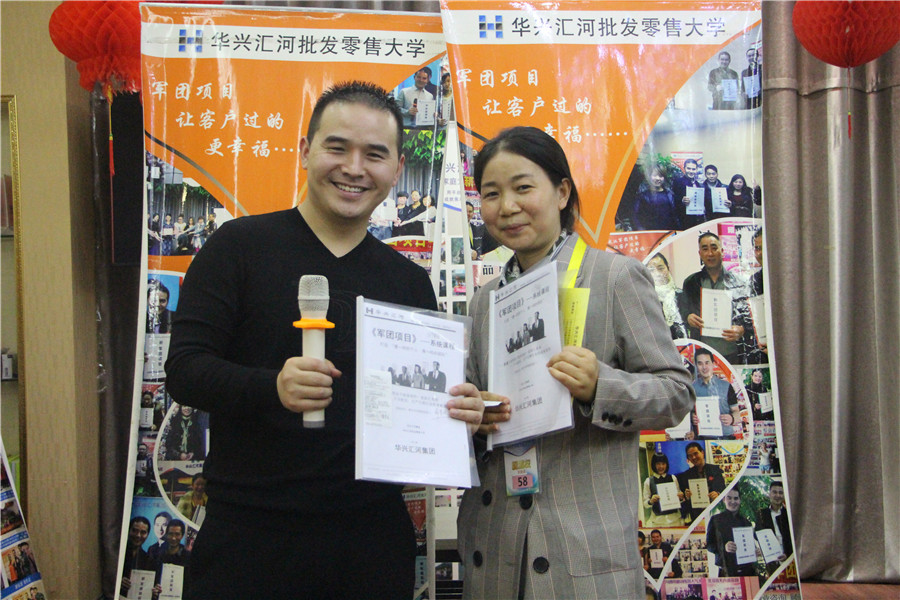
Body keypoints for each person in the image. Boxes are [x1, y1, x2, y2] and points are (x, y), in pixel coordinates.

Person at [164, 81, 483, 599]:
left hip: (371, 542)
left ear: (397, 169)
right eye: (337, 148)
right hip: (251, 537)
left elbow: (416, 404)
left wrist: (454, 410)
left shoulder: (407, 281)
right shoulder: (237, 247)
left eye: (374, 154)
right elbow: (184, 370)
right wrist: (272, 387)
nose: (354, 168)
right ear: (305, 151)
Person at [457, 126, 694, 599]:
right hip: (495, 544)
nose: (507, 206)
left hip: (582, 549)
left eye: (523, 187)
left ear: (562, 192)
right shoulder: (484, 301)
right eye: (492, 193)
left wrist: (600, 386)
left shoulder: (614, 277)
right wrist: (476, 417)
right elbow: (474, 408)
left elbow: (676, 393)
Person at [679, 232, 752, 363]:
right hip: (702, 354)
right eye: (705, 249)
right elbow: (682, 311)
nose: (710, 253)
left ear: (722, 251)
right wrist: (688, 317)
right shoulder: (691, 282)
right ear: (700, 253)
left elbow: (750, 318)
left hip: (732, 354)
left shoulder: (739, 282)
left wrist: (742, 329)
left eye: (714, 248)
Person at [689, 347, 740, 439]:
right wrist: (692, 417)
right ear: (696, 365)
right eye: (700, 363)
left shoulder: (726, 386)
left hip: (726, 438)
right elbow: (689, 411)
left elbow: (736, 411)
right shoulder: (692, 388)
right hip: (703, 439)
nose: (704, 367)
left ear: (713, 364)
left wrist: (732, 418)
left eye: (707, 363)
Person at [706, 488, 756, 576]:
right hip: (725, 571)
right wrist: (724, 547)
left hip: (746, 571)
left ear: (740, 500)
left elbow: (750, 545)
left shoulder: (746, 522)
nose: (733, 501)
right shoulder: (715, 520)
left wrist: (754, 551)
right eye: (729, 498)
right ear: (724, 499)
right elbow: (709, 545)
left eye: (736, 498)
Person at [676, 442, 726, 522]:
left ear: (702, 452)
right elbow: (684, 498)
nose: (694, 457)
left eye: (695, 453)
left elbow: (723, 489)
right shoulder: (686, 475)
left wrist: (718, 494)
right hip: (696, 517)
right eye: (690, 456)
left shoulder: (715, 470)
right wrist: (686, 496)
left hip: (715, 512)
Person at [755, 480, 792, 574]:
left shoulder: (789, 514)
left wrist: (788, 554)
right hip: (770, 560)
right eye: (774, 492)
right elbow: (757, 534)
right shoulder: (762, 514)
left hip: (788, 559)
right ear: (769, 494)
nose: (778, 495)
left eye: (780, 493)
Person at [647, 253, 688, 339]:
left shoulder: (681, 295)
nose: (657, 273)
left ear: (668, 268)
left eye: (661, 268)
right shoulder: (645, 299)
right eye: (651, 270)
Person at [643, 453, 685, 528]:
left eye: (663, 464)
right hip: (658, 521)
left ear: (666, 464)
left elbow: (679, 499)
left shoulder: (673, 478)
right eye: (658, 464)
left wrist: (681, 497)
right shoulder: (648, 481)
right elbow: (645, 504)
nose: (661, 466)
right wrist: (651, 501)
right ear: (654, 465)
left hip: (675, 519)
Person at [632, 165, 680, 231]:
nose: (657, 178)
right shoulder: (642, 196)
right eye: (654, 175)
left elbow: (675, 215)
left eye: (660, 176)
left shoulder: (670, 195)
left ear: (664, 178)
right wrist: (642, 231)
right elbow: (635, 216)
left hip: (668, 233)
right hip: (650, 233)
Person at [153, 519, 191, 596]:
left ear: (182, 535)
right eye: (170, 534)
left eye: (177, 534)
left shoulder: (188, 557)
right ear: (166, 534)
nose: (173, 538)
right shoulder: (157, 554)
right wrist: (154, 588)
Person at [120, 516, 155, 598]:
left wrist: (154, 591)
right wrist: (117, 581)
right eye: (134, 531)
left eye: (143, 532)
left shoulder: (148, 559)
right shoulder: (117, 552)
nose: (138, 535)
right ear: (128, 530)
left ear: (147, 535)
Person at [673, 159, 705, 230]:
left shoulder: (698, 184)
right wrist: (682, 201)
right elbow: (673, 199)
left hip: (698, 220)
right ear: (684, 168)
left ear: (696, 170)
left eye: (693, 169)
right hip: (684, 220)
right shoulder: (678, 182)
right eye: (688, 168)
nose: (691, 171)